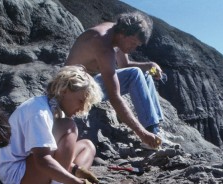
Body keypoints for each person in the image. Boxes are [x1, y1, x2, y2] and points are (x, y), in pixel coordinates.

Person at [0, 65, 108, 184]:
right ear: (64, 91)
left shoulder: (54, 109)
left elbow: (55, 155)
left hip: (33, 173)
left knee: (87, 146)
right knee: (69, 127)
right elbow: (42, 160)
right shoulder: (39, 111)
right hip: (20, 182)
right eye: (81, 101)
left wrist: (76, 170)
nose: (82, 107)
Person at [66, 11, 165, 150]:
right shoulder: (102, 44)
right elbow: (115, 97)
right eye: (133, 43)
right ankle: (151, 135)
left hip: (90, 81)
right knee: (135, 74)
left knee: (145, 74)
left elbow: (125, 65)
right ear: (123, 33)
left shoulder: (115, 32)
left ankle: (156, 128)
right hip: (75, 88)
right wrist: (142, 134)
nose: (133, 48)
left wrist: (149, 65)